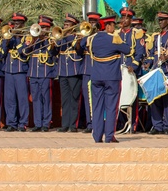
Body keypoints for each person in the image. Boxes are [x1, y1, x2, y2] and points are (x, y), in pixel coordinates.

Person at [88, 15, 127, 143]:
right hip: (111, 77)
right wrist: (119, 38)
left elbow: (80, 45)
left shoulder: (92, 39)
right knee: (111, 107)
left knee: (97, 107)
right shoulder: (114, 39)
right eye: (113, 25)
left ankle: (97, 136)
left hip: (96, 77)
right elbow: (127, 50)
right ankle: (109, 136)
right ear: (108, 26)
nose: (114, 28)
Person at [144, 12, 168, 134]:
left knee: (166, 100)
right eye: (159, 20)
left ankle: (167, 125)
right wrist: (148, 63)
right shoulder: (155, 37)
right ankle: (157, 125)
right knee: (155, 98)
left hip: (167, 69)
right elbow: (152, 53)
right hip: (156, 70)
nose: (160, 22)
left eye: (163, 20)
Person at [24, 16, 58, 131]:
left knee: (46, 99)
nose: (42, 30)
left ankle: (46, 123)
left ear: (48, 28)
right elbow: (25, 52)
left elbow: (53, 53)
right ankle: (38, 123)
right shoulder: (34, 40)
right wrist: (33, 40)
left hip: (46, 73)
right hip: (33, 73)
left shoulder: (50, 40)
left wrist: (51, 43)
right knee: (36, 98)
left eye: (44, 27)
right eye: (40, 27)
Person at [54, 15, 84, 132]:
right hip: (63, 71)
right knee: (65, 99)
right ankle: (65, 124)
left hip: (74, 71)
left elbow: (80, 51)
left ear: (73, 26)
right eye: (64, 24)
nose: (65, 26)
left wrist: (71, 38)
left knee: (74, 98)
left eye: (68, 25)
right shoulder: (60, 38)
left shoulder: (76, 37)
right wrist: (55, 42)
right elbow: (53, 52)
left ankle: (73, 125)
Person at [1, 13, 30, 131]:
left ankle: (23, 123)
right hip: (9, 70)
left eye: (18, 24)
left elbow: (24, 52)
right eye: (14, 23)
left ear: (23, 24)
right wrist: (7, 41)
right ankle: (11, 123)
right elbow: (2, 53)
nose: (15, 26)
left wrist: (17, 39)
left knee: (22, 99)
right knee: (9, 99)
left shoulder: (27, 37)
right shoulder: (9, 37)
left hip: (20, 71)